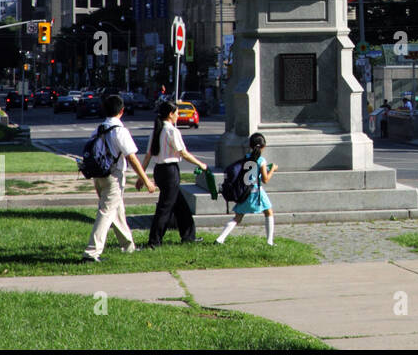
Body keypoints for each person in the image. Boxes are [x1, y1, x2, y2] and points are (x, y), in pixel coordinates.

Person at [83, 94, 157, 262]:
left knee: (117, 211)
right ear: (122, 111)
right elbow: (131, 157)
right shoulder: (120, 131)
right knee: (106, 212)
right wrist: (146, 180)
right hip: (114, 177)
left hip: (98, 175)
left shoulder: (99, 128)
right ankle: (92, 252)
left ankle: (128, 246)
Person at [141, 101, 209, 246]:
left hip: (159, 170)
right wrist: (200, 164)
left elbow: (148, 155)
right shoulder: (172, 131)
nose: (178, 115)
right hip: (170, 171)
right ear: (170, 114)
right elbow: (183, 153)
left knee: (181, 205)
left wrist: (143, 175)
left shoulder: (156, 130)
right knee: (165, 208)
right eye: (177, 113)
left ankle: (188, 236)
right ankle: (154, 241)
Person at [216, 133, 278, 246]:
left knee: (237, 217)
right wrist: (272, 169)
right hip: (257, 192)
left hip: (245, 192)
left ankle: (220, 238)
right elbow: (266, 179)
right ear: (263, 147)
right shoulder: (261, 160)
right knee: (269, 212)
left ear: (250, 145)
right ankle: (269, 241)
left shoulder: (247, 157)